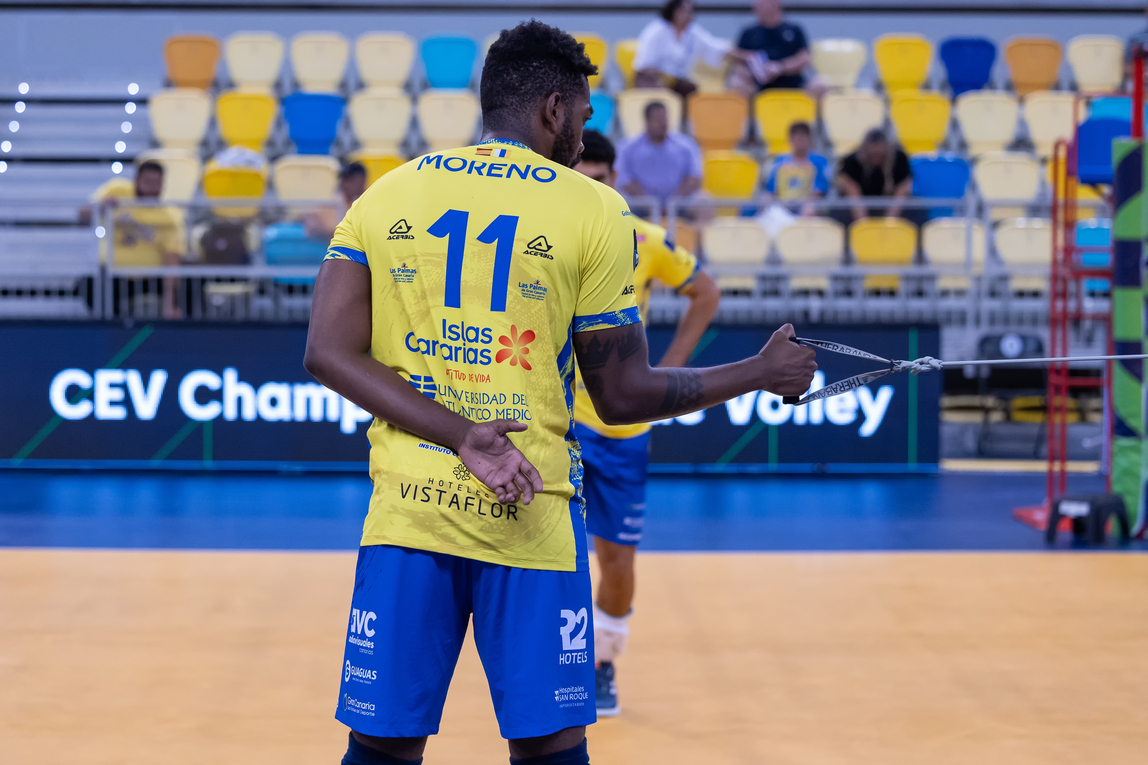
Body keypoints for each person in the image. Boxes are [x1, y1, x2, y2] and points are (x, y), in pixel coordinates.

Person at [304, 20, 816, 765]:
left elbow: (326, 352)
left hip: (408, 514)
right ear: (552, 109)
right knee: (549, 750)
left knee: (381, 748)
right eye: (582, 112)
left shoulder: (388, 193)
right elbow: (622, 396)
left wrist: (461, 434)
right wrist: (759, 373)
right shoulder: (594, 209)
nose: (583, 130)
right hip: (532, 512)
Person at [571, 129, 720, 718]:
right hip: (557, 422)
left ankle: (602, 661)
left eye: (599, 179)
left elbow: (705, 293)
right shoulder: (544, 233)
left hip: (622, 430)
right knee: (542, 554)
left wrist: (669, 372)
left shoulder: (644, 241)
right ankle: (553, 658)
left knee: (617, 561)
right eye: (580, 178)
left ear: (615, 180)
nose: (590, 188)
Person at [83, 160, 186, 318]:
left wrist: (170, 305)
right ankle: (112, 325)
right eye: (147, 182)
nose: (152, 188)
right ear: (136, 180)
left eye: (157, 183)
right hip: (115, 276)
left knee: (189, 288)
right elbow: (83, 215)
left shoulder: (168, 218)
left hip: (150, 279)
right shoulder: (118, 191)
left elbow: (171, 260)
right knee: (88, 285)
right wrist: (101, 207)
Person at [633, 0, 747, 96]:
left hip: (679, 83)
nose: (689, 16)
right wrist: (664, 81)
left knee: (691, 90)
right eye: (685, 12)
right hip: (652, 80)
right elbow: (644, 66)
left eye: (691, 12)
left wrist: (743, 56)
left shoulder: (692, 32)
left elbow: (714, 47)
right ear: (675, 11)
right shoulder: (656, 31)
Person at [615, 101, 704, 214]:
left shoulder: (686, 145)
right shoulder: (628, 147)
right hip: (641, 204)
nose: (663, 123)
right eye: (658, 119)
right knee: (619, 203)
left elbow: (694, 177)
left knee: (703, 202)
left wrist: (675, 202)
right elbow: (624, 179)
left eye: (665, 118)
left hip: (678, 203)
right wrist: (647, 203)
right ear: (647, 121)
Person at [730, 0, 822, 97]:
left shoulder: (794, 29)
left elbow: (805, 58)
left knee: (820, 85)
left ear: (776, 5)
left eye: (763, 4)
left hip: (793, 82)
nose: (758, 8)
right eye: (757, 5)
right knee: (736, 84)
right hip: (757, 84)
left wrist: (780, 67)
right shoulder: (748, 33)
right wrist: (750, 71)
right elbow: (737, 59)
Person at [835, 128, 913, 223]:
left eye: (880, 155)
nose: (876, 158)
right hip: (859, 211)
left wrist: (888, 224)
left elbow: (902, 193)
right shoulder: (852, 162)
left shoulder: (900, 160)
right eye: (872, 155)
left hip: (892, 210)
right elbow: (854, 197)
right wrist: (865, 226)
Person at [763, 121, 829, 216]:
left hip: (806, 206)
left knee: (810, 208)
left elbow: (817, 192)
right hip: (781, 205)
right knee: (765, 201)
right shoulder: (779, 162)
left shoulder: (819, 163)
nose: (800, 143)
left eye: (803, 138)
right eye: (798, 139)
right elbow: (771, 191)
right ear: (790, 140)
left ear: (810, 140)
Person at [304, 162, 369, 241]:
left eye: (350, 180)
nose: (345, 184)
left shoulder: (363, 203)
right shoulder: (332, 203)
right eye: (344, 179)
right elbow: (314, 225)